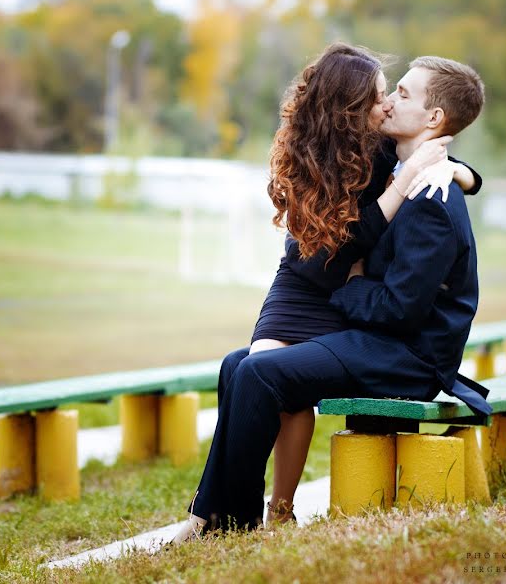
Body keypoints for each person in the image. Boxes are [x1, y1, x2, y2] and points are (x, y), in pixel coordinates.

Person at [175, 54, 490, 540]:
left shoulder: (433, 198)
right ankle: (214, 515)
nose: (388, 103)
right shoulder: (391, 160)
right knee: (238, 364)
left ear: (433, 119)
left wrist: (350, 285)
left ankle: (231, 524)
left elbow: (400, 312)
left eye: (402, 93)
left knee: (262, 371)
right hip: (362, 325)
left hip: (408, 356)